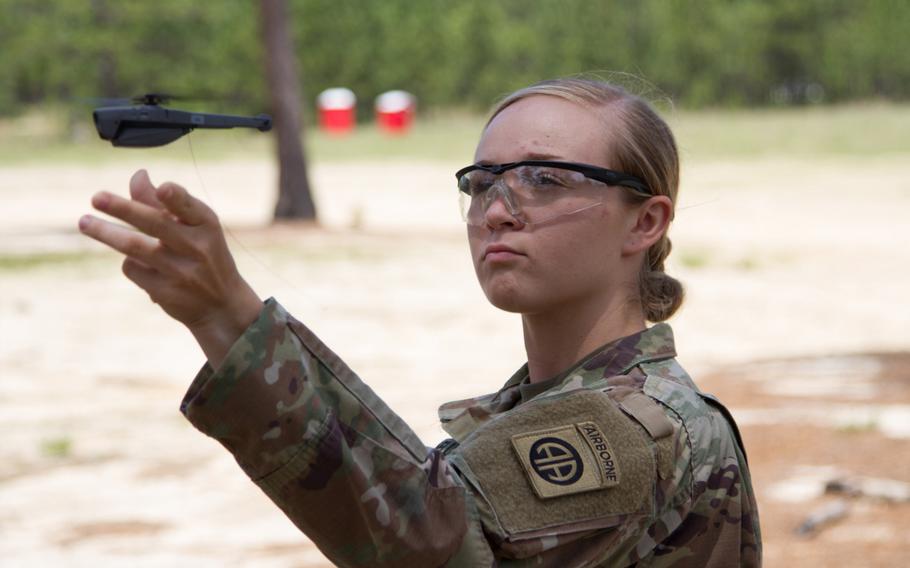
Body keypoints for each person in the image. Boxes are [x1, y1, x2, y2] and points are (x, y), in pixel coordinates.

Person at [79, 77, 761, 567]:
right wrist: (224, 320)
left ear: (645, 221)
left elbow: (427, 539)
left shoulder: (642, 424)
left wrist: (230, 315)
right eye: (483, 181)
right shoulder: (561, 403)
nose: (499, 208)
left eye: (545, 179)